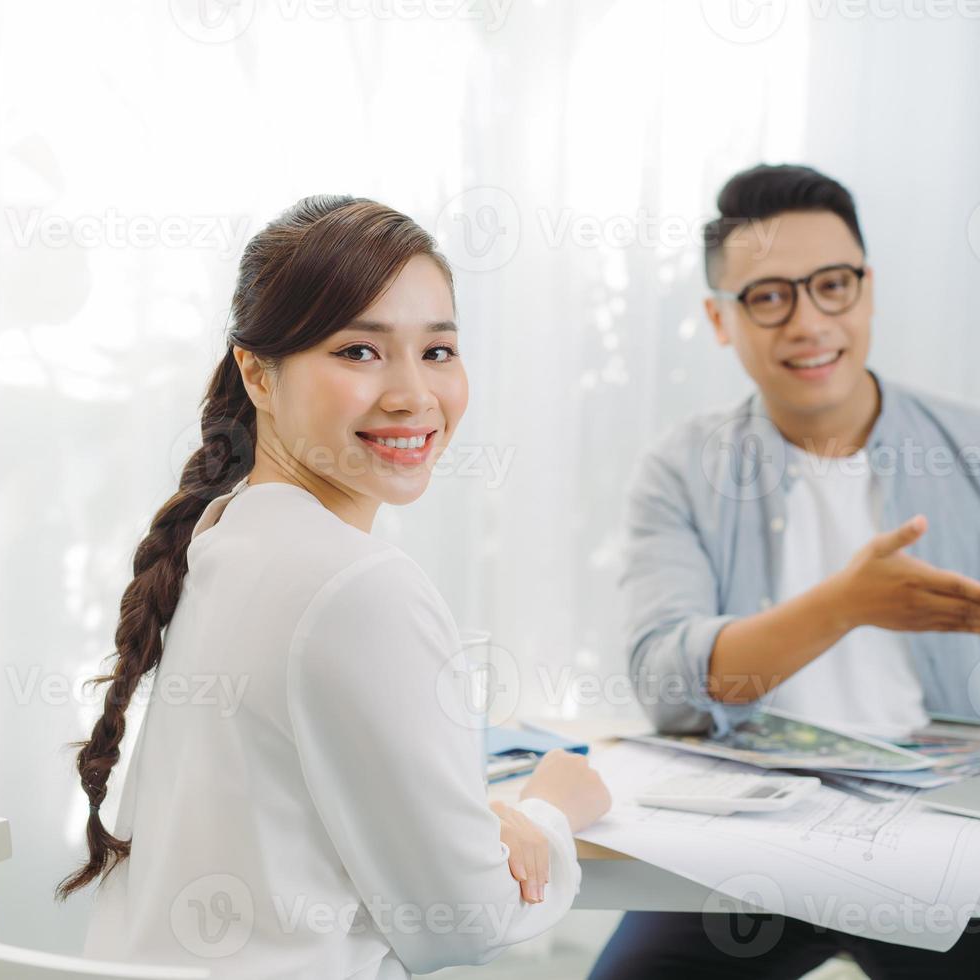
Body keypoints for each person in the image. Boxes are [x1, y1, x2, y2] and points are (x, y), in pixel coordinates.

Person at [588, 165, 980, 979]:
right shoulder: (681, 468)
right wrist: (844, 605)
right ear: (720, 321)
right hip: (747, 845)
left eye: (832, 285)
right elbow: (666, 681)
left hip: (948, 836)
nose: (808, 321)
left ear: (867, 290)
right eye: (768, 296)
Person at [57, 195, 610, 978]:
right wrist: (551, 811)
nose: (413, 395)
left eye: (439, 351)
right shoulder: (356, 588)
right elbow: (466, 922)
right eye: (359, 351)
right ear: (256, 372)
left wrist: (478, 822)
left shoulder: (230, 532)